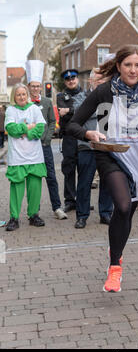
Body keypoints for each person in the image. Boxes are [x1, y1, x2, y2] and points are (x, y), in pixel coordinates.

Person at [67, 45, 138, 293]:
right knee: (122, 205)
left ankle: (116, 250)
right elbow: (72, 125)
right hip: (110, 154)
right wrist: (88, 133)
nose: (133, 70)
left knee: (126, 213)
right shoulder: (104, 91)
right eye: (128, 65)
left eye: (137, 65)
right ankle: (115, 267)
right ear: (118, 67)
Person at [26, 60, 67, 220]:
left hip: (44, 146)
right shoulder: (25, 103)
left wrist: (47, 138)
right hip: (29, 147)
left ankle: (56, 207)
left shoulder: (47, 102)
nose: (35, 89)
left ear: (41, 86)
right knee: (32, 179)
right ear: (29, 86)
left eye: (38, 86)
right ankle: (33, 211)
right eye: (33, 86)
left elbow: (52, 122)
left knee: (51, 176)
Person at [4, 83, 47, 231]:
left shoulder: (34, 109)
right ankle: (14, 218)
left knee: (35, 187)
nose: (21, 97)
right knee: (16, 188)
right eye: (18, 94)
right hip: (17, 157)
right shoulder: (10, 110)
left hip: (34, 156)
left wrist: (24, 132)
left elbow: (40, 129)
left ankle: (33, 215)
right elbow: (11, 129)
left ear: (27, 95)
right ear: (14, 97)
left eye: (23, 94)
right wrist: (28, 127)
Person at [74, 68, 113, 229]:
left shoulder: (111, 97)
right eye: (98, 81)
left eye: (103, 81)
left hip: (106, 146)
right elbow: (79, 114)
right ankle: (82, 216)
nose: (101, 84)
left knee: (107, 181)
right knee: (84, 182)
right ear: (90, 81)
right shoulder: (80, 97)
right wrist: (97, 108)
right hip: (87, 146)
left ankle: (105, 213)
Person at [57, 69, 86, 213]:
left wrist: (68, 110)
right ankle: (70, 200)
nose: (71, 81)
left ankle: (81, 200)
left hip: (83, 135)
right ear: (65, 81)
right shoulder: (61, 96)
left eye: (73, 78)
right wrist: (76, 110)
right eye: (68, 79)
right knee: (68, 169)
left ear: (77, 79)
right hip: (69, 137)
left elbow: (86, 111)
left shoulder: (86, 94)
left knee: (84, 169)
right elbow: (77, 112)